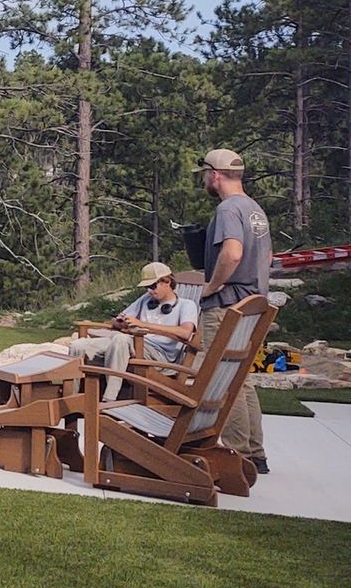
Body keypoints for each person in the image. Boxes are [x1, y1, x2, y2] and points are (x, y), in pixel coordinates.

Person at [197, 147, 273, 473]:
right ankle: (256, 454)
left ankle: (237, 458)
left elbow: (232, 252)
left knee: (225, 379)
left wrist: (212, 286)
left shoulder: (228, 209)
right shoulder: (254, 209)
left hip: (227, 306)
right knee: (243, 379)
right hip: (253, 305)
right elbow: (266, 259)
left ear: (215, 174)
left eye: (204, 173)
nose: (203, 179)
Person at [68, 261, 197, 403]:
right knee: (78, 346)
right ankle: (72, 398)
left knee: (120, 340)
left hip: (159, 354)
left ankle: (109, 399)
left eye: (153, 286)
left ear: (167, 282)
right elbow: (118, 321)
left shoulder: (187, 305)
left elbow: (185, 333)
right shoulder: (146, 299)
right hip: (134, 344)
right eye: (147, 287)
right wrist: (122, 323)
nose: (150, 291)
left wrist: (143, 325)